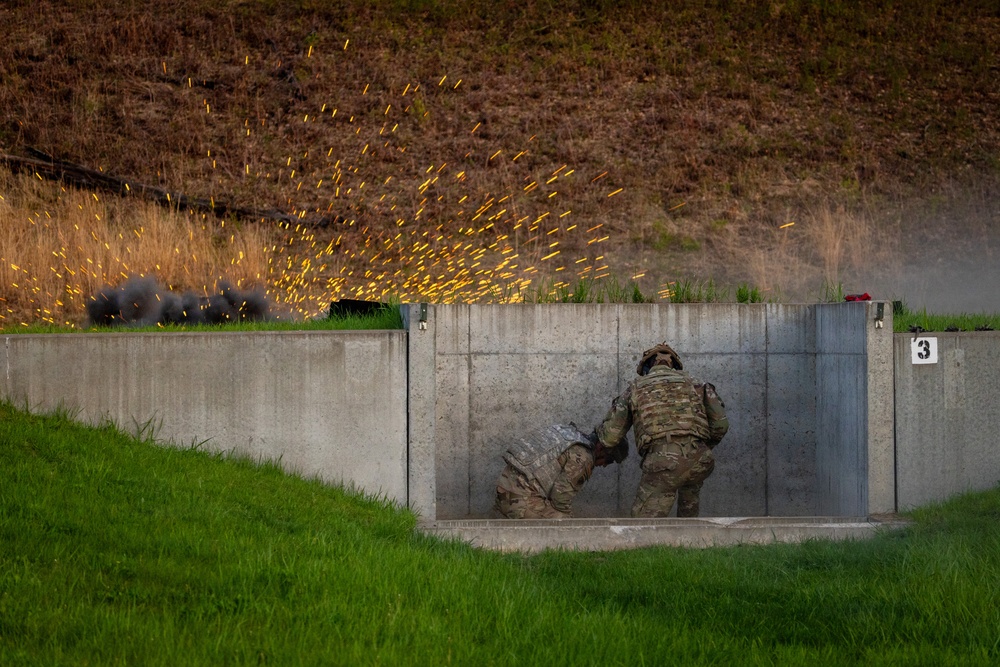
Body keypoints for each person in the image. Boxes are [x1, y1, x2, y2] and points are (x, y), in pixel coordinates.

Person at [595, 343, 729, 518]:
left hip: (665, 461)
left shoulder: (635, 388)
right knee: (689, 516)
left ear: (647, 367)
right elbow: (721, 425)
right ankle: (690, 542)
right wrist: (701, 446)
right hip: (701, 459)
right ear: (675, 365)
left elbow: (611, 437)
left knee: (644, 524)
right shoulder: (697, 384)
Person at [494, 423, 626, 519]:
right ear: (601, 448)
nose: (604, 466)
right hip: (519, 500)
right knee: (566, 525)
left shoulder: (568, 433)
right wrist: (570, 519)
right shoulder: (583, 456)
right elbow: (560, 499)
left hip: (507, 491)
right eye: (609, 460)